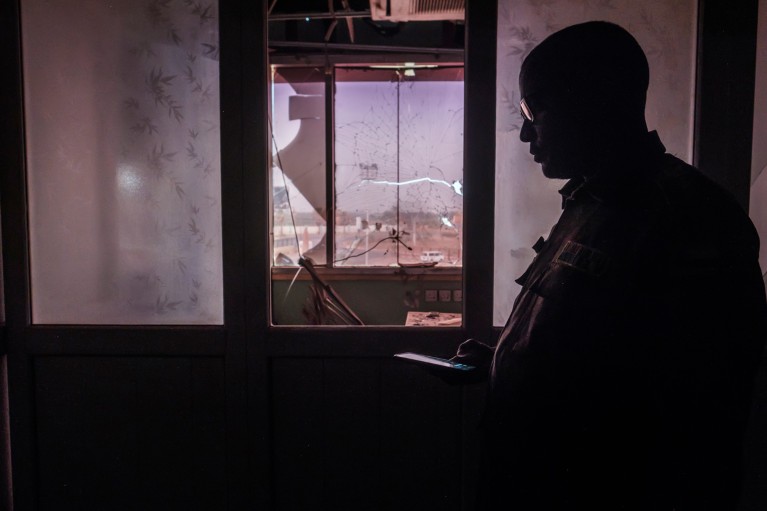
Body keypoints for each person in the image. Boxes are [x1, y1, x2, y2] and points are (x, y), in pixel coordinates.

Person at [452, 21, 767, 510]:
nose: (525, 133)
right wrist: (501, 360)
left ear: (595, 100)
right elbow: (596, 346)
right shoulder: (592, 204)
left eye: (535, 109)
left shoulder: (685, 218)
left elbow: (694, 414)